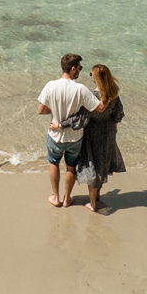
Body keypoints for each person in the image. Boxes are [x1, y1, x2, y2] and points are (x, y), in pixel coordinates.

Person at [54, 63, 125, 212]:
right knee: (102, 163)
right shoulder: (113, 93)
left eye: (91, 74)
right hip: (108, 131)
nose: (90, 77)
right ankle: (97, 195)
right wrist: (115, 126)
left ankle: (92, 203)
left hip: (93, 132)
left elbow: (80, 117)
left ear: (97, 78)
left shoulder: (94, 96)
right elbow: (118, 113)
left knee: (92, 164)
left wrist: (61, 125)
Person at [37, 53, 104, 208]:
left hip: (55, 135)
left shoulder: (50, 85)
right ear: (73, 68)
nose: (80, 71)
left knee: (53, 163)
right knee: (70, 167)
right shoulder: (80, 89)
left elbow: (41, 110)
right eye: (80, 68)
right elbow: (99, 108)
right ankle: (67, 199)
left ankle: (56, 197)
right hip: (75, 137)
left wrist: (55, 114)